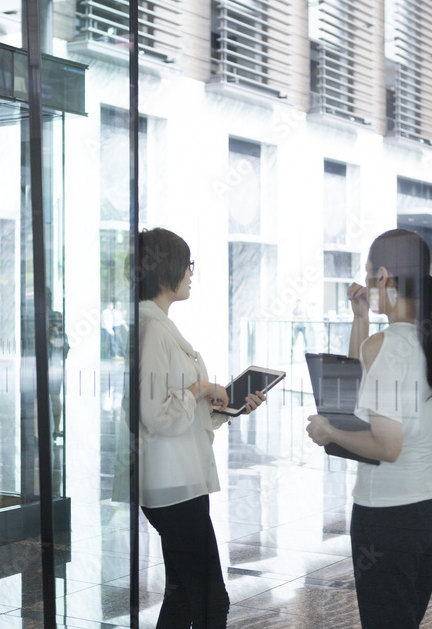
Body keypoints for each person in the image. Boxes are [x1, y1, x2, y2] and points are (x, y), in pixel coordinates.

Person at [306, 229, 432, 629]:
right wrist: (361, 318)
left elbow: (386, 446)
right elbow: (361, 387)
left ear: (384, 275)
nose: (365, 279)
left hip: (389, 517)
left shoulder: (386, 346)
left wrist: (329, 432)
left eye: (368, 272)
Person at [135, 227, 264, 628]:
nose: (191, 273)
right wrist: (200, 387)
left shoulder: (160, 326)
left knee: (182, 597)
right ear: (164, 270)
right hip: (172, 485)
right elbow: (153, 414)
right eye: (187, 264)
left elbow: (183, 413)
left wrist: (230, 406)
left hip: (180, 480)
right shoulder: (152, 330)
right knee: (212, 601)